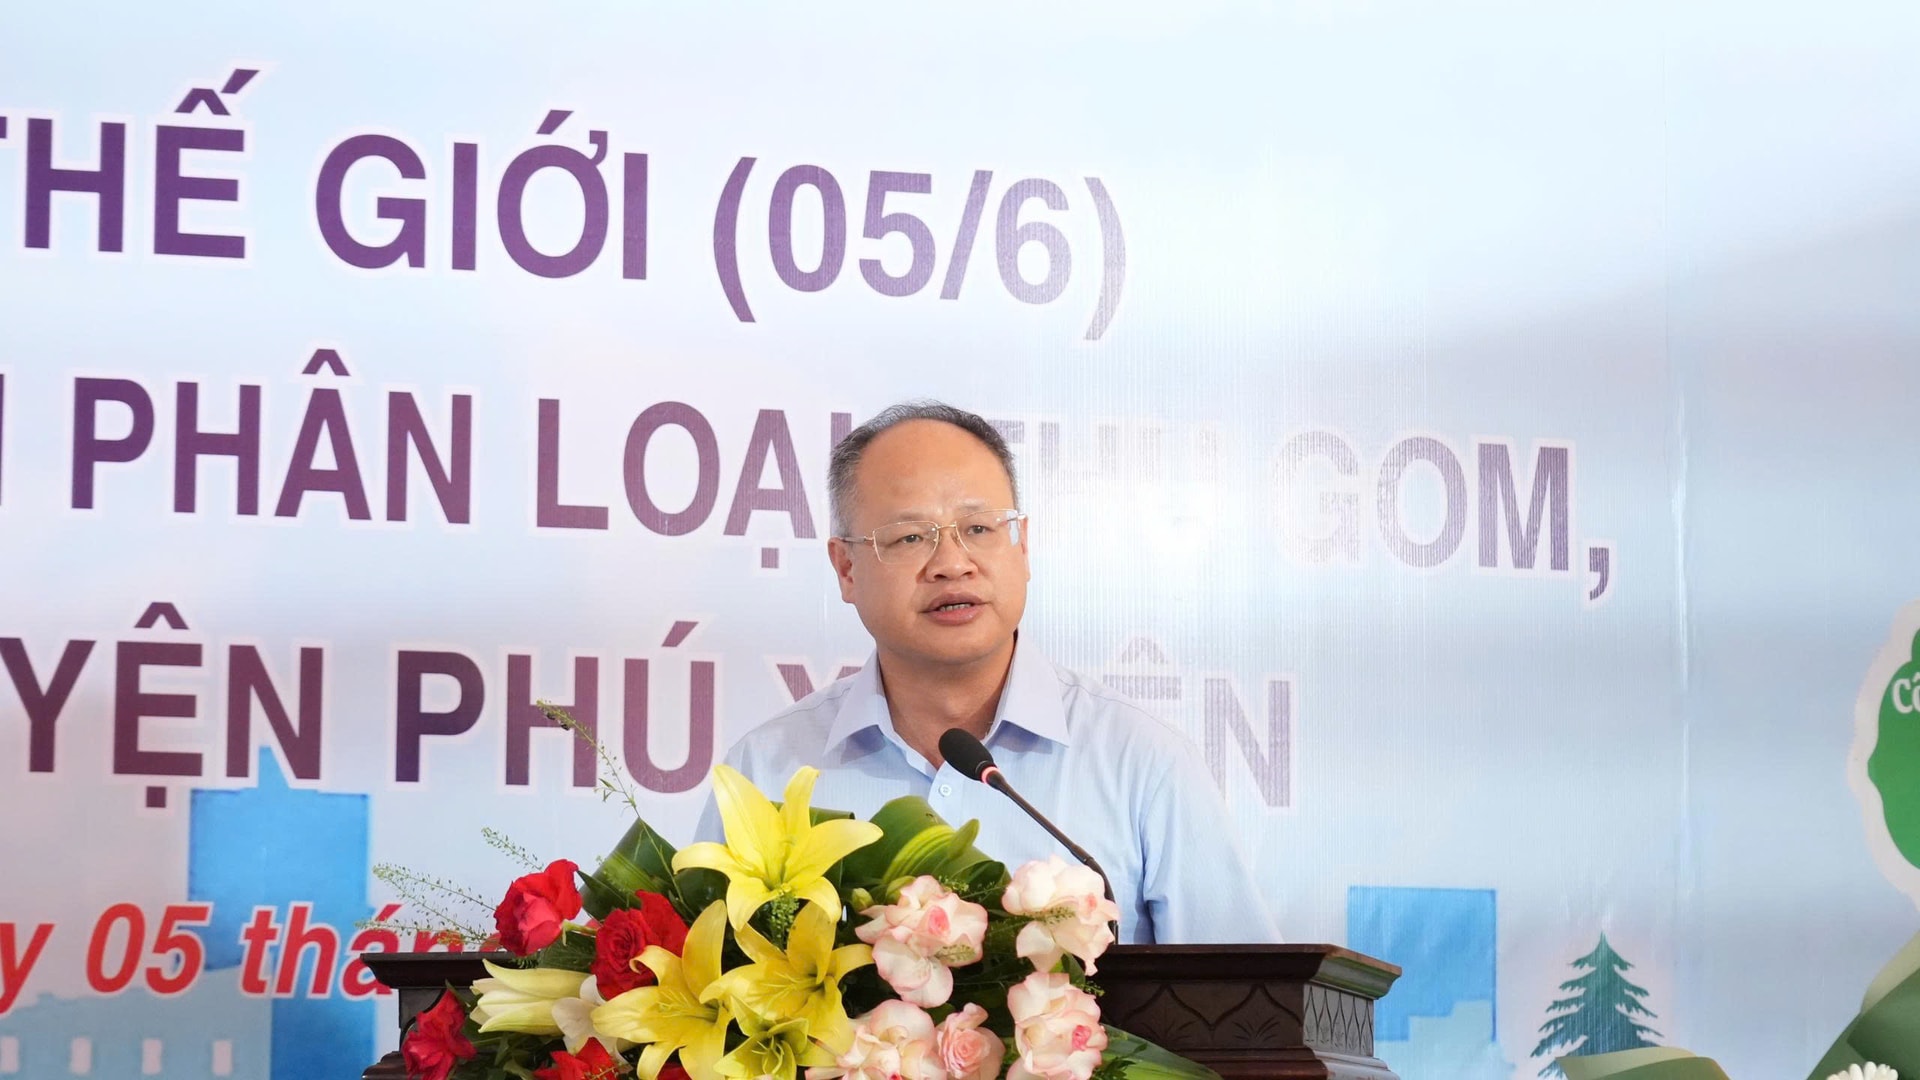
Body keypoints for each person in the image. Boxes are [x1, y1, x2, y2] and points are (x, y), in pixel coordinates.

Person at [692, 401, 1279, 944]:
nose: (952, 564)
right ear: (846, 568)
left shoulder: (1144, 765)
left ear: (1022, 547)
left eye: (979, 529)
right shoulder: (767, 774)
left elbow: (1246, 1004)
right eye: (910, 537)